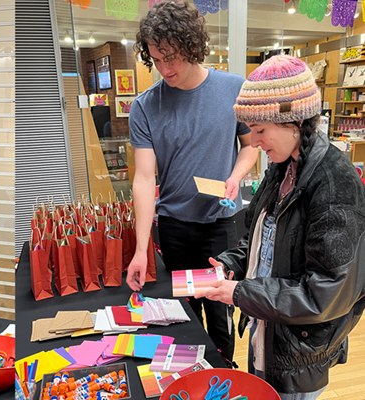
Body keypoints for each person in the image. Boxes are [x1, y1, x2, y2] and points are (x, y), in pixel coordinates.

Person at [197, 55, 365, 399]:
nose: (254, 142)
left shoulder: (335, 185)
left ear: (294, 122)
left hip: (298, 350)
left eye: (260, 130)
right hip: (268, 330)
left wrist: (240, 294)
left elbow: (324, 294)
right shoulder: (282, 166)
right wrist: (233, 263)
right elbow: (263, 239)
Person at [125, 0, 259, 365]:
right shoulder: (145, 106)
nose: (164, 68)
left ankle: (223, 373)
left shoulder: (234, 89)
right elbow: (143, 177)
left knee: (220, 313)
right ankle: (189, 373)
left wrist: (235, 175)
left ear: (192, 47)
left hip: (221, 223)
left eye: (172, 57)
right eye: (156, 59)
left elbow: (251, 148)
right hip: (174, 226)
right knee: (181, 312)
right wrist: (140, 249)